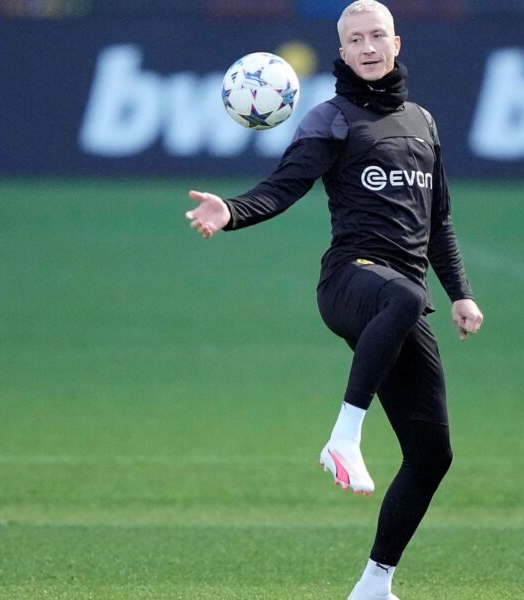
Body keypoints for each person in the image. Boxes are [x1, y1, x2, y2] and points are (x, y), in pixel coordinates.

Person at [185, 2, 483, 598]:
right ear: (341, 52)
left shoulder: (422, 122)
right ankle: (344, 436)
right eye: (355, 40)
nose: (368, 47)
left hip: (397, 302)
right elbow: (283, 187)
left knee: (432, 455)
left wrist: (460, 294)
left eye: (377, 36)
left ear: (396, 44)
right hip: (349, 282)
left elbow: (439, 220)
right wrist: (231, 211)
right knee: (405, 295)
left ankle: (375, 583)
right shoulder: (332, 119)